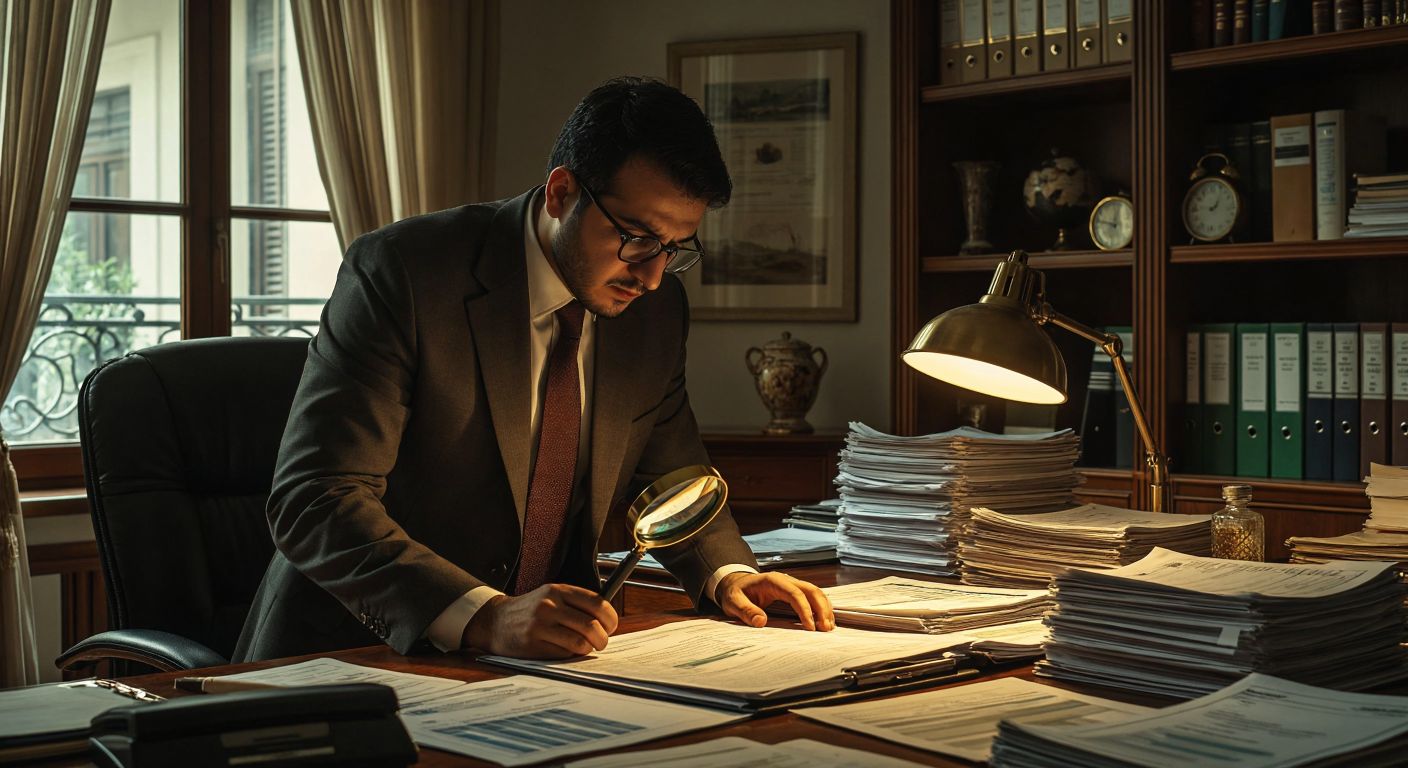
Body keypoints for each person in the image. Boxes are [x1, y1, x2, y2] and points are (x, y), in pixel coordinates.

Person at [234, 76, 835, 662]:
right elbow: (316, 498)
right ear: (561, 192)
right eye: (636, 237)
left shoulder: (655, 312)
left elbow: (673, 471)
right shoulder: (407, 272)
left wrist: (728, 573)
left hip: (549, 665)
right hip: (356, 656)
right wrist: (486, 616)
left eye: (676, 248)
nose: (652, 276)